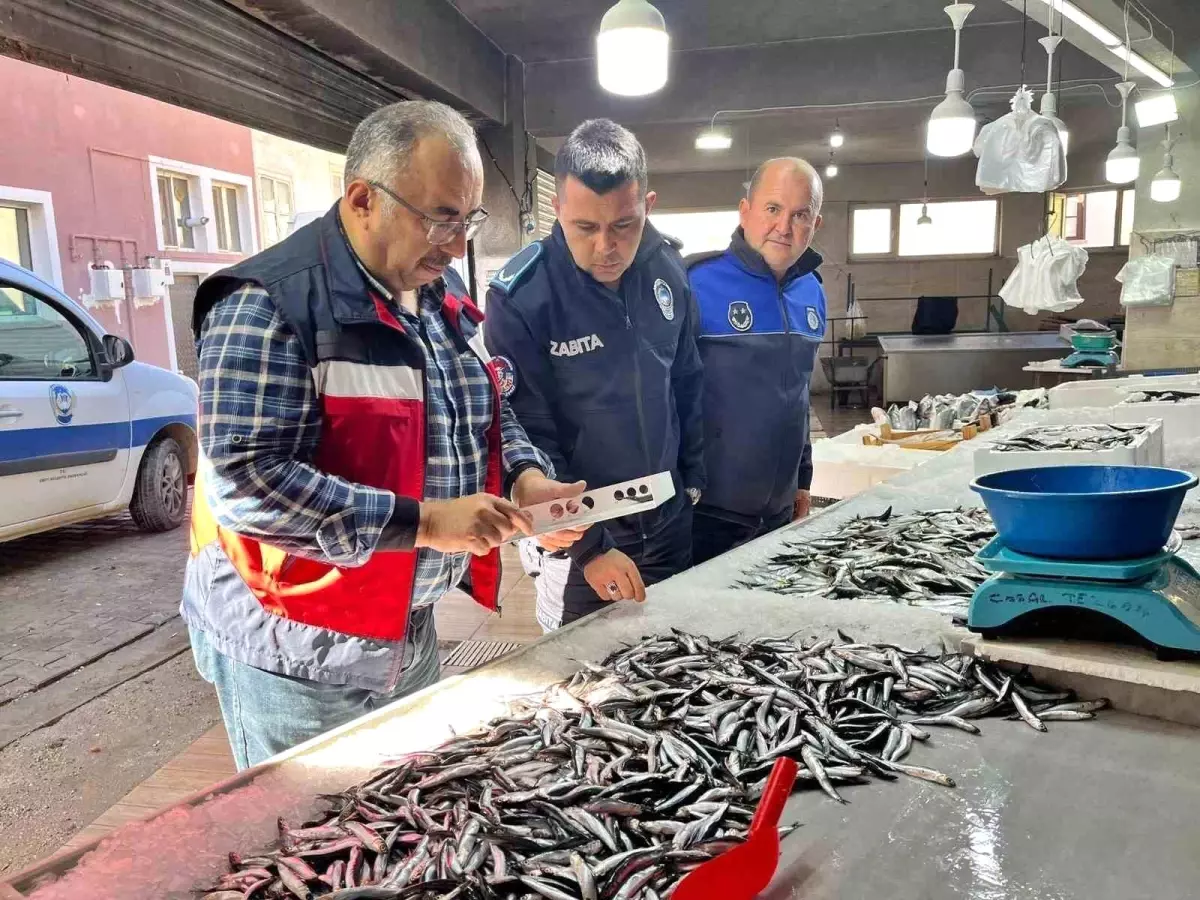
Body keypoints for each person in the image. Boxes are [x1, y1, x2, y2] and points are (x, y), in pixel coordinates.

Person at [181, 101, 586, 770]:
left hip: (403, 623)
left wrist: (525, 476)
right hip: (297, 649)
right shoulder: (267, 305)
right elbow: (245, 485)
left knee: (404, 825)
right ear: (363, 199)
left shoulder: (432, 285)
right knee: (316, 849)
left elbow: (482, 405)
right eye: (439, 218)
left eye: (467, 219)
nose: (457, 244)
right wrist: (424, 522)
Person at [484, 119, 705, 632]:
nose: (607, 246)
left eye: (624, 225)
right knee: (581, 683)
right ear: (557, 208)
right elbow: (526, 433)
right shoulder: (522, 296)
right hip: (582, 540)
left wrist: (693, 485)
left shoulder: (669, 270)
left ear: (647, 205)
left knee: (673, 665)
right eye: (585, 227)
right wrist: (589, 547)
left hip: (670, 518)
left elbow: (688, 382)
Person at [685, 157, 827, 565]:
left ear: (814, 225)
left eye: (800, 214)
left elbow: (798, 395)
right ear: (744, 211)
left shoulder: (811, 291)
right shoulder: (693, 282)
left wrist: (803, 480)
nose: (784, 227)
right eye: (772, 209)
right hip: (706, 514)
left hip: (779, 512)